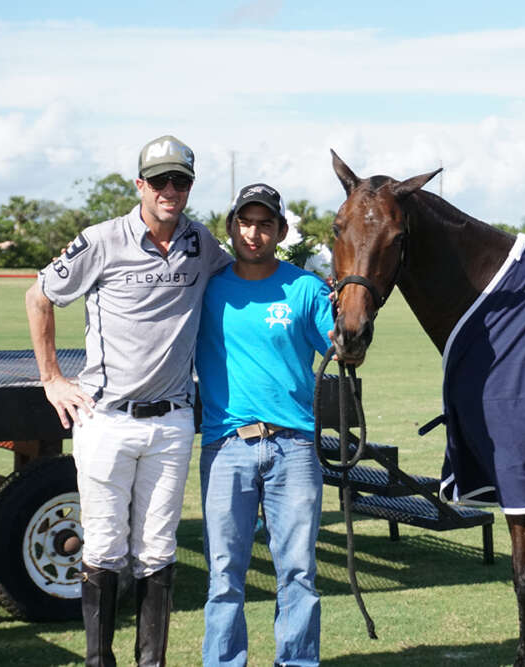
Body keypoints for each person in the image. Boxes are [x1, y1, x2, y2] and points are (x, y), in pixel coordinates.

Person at [25, 135, 232, 666]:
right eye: (159, 180)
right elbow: (39, 296)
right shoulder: (101, 239)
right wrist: (51, 379)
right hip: (106, 420)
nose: (170, 190)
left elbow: (245, 276)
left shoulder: (201, 243)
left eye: (180, 181)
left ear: (189, 187)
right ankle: (100, 661)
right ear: (140, 184)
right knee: (102, 550)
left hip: (172, 423)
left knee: (158, 551)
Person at [196, 182, 334, 667]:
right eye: (245, 222)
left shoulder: (305, 288)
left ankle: (296, 661)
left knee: (297, 570)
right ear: (231, 226)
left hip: (294, 447)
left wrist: (355, 312)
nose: (254, 233)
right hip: (226, 445)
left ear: (280, 230)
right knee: (224, 572)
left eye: (265, 224)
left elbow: (342, 344)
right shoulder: (208, 287)